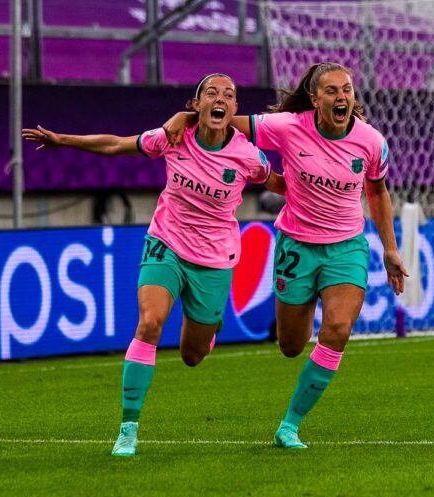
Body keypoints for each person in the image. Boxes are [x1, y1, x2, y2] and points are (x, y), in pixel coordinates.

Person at [22, 73, 284, 456]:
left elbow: (277, 182)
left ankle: (209, 325)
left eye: (228, 95)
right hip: (166, 243)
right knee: (149, 323)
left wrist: (323, 185)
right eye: (211, 93)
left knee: (193, 356)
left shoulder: (247, 156)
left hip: (213, 259)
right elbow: (115, 144)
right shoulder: (172, 137)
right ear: (196, 105)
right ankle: (128, 429)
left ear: (235, 109)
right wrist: (62, 139)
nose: (220, 98)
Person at [164, 62, 408, 448]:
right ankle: (213, 323)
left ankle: (290, 426)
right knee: (291, 345)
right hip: (297, 244)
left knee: (338, 330)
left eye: (346, 89)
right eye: (331, 90)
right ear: (315, 98)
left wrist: (390, 249)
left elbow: (377, 193)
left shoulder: (371, 142)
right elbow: (223, 120)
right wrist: (184, 117)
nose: (341, 97)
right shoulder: (287, 127)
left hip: (347, 248)